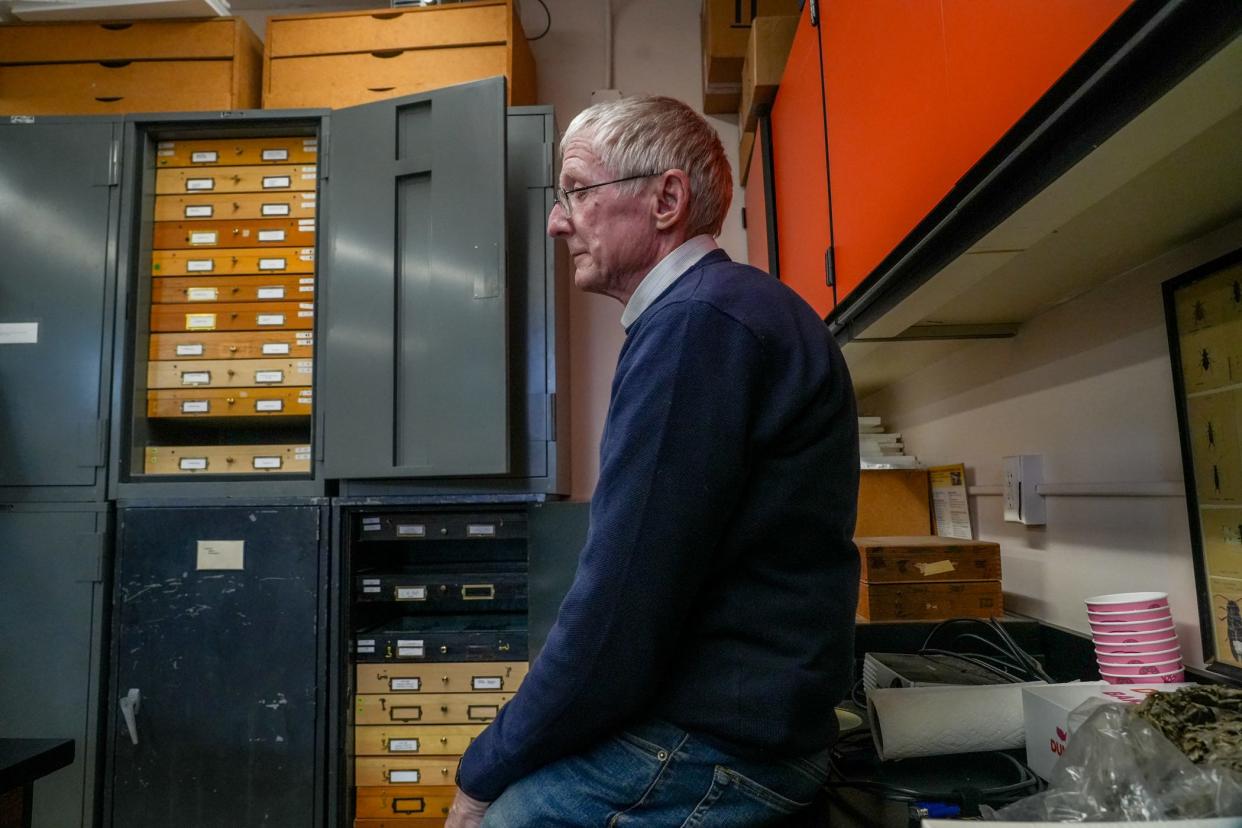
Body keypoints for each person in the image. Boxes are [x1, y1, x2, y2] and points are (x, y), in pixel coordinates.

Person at [446, 95, 860, 827]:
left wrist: (483, 770)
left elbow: (621, 607)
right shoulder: (721, 312)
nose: (557, 219)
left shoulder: (699, 325)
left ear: (665, 199)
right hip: (752, 729)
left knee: (505, 816)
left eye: (577, 189)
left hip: (723, 748)